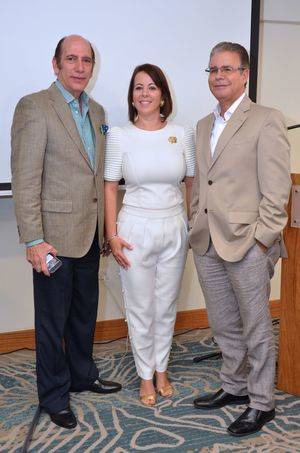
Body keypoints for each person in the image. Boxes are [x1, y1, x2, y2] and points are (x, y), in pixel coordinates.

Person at [11, 35, 121, 430]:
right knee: (52, 322)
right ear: (55, 64)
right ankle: (54, 395)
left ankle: (82, 374)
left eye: (86, 60)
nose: (79, 67)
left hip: (90, 236)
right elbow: (25, 180)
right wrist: (33, 240)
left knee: (82, 316)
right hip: (53, 239)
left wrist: (107, 230)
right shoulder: (35, 107)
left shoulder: (98, 112)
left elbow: (99, 177)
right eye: (71, 59)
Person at [189, 41, 291, 436]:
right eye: (213, 69)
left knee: (256, 326)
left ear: (245, 74)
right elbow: (202, 181)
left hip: (248, 241)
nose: (219, 76)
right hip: (207, 241)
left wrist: (263, 239)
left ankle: (262, 402)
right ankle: (233, 387)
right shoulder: (202, 125)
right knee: (224, 323)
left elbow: (277, 187)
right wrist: (193, 221)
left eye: (227, 69)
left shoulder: (266, 119)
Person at [104, 63, 195, 406]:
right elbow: (111, 188)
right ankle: (145, 375)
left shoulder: (182, 133)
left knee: (166, 305)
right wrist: (112, 235)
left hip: (174, 227)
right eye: (138, 87)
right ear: (132, 96)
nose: (144, 93)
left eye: (151, 87)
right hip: (134, 230)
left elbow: (191, 183)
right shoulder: (119, 135)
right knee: (141, 306)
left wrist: (190, 225)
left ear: (162, 96)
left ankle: (162, 370)